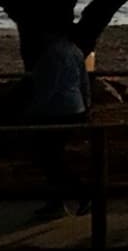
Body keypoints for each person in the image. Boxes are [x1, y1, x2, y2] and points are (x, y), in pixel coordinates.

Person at [21, 30, 93, 221]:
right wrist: (87, 105)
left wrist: (32, 111)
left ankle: (79, 194)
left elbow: (48, 87)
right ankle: (60, 199)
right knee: (53, 156)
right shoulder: (75, 50)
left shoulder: (51, 54)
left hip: (56, 110)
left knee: (50, 158)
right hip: (74, 107)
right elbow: (84, 80)